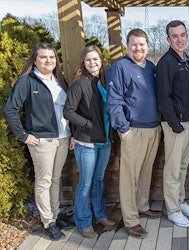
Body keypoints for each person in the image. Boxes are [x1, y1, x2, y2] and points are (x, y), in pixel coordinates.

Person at [2, 42, 75, 240]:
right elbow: (9, 109)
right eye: (43, 57)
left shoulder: (59, 80)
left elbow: (69, 109)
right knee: (44, 181)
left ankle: (55, 215)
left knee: (56, 180)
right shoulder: (27, 81)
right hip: (42, 140)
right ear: (35, 59)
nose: (48, 60)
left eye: (51, 57)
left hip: (62, 137)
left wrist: (72, 134)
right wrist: (24, 135)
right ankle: (48, 222)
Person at [107, 29, 162, 238]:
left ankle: (142, 205)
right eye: (134, 44)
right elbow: (114, 101)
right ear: (127, 45)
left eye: (142, 44)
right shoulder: (119, 68)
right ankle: (130, 219)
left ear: (147, 46)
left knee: (146, 171)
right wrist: (124, 129)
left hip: (153, 128)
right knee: (129, 177)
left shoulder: (151, 68)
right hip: (133, 129)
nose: (138, 48)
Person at [63, 45, 116, 238]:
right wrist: (87, 124)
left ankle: (100, 214)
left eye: (95, 59)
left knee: (98, 181)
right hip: (86, 142)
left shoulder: (103, 82)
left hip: (105, 140)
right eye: (88, 60)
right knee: (85, 183)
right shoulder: (80, 84)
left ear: (101, 61)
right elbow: (68, 111)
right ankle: (84, 222)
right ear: (83, 63)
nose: (92, 62)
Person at [156, 20, 189, 228]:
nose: (180, 39)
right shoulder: (166, 62)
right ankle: (172, 210)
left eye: (182, 35)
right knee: (172, 170)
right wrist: (176, 125)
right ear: (168, 39)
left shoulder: (187, 60)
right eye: (175, 36)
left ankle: (180, 202)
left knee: (182, 167)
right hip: (176, 125)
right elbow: (163, 98)